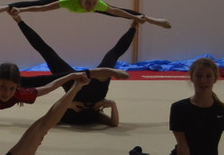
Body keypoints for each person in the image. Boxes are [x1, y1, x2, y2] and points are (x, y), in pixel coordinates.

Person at [9, 8, 139, 126]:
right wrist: (112, 105)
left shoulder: (66, 117)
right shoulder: (96, 117)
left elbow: (49, 118)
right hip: (97, 90)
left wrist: (67, 105)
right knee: (113, 54)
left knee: (47, 53)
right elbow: (113, 123)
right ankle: (134, 26)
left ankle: (19, 21)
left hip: (74, 84)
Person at [0, 0, 171, 28]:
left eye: (93, 3)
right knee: (38, 2)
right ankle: (0, 8)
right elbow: (42, 8)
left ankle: (152, 19)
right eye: (88, 3)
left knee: (115, 11)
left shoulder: (97, 4)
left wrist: (138, 18)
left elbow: (116, 11)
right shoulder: (69, 0)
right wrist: (21, 10)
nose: (91, 7)